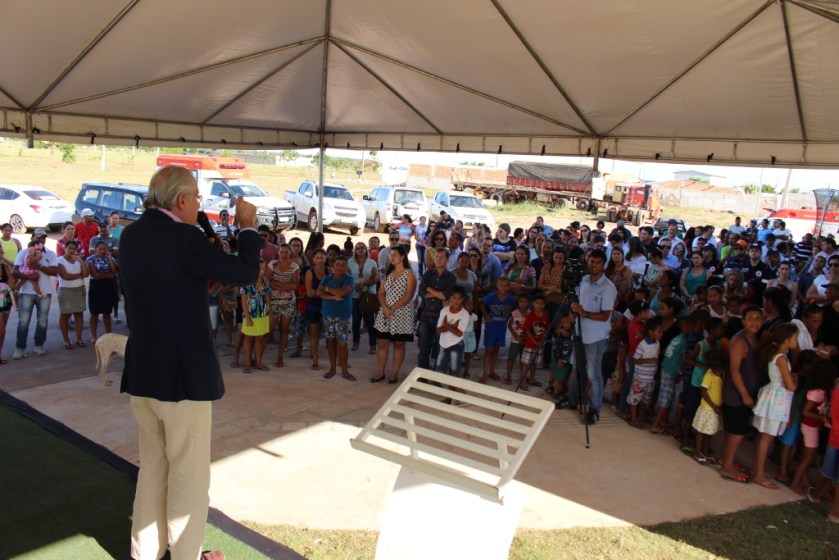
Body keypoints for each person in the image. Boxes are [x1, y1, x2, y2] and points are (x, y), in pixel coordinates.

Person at [120, 165, 260, 560]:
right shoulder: (183, 238)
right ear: (181, 200)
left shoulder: (130, 235)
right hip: (182, 379)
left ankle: (144, 551)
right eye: (197, 198)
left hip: (144, 371)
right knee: (189, 476)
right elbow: (246, 272)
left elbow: (165, 286)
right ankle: (185, 554)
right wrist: (248, 227)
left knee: (153, 469)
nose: (200, 204)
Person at [567, 249, 618, 425]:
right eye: (591, 261)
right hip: (579, 332)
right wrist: (574, 313)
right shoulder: (583, 281)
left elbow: (605, 315)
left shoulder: (608, 288)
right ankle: (572, 400)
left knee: (593, 373)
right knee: (577, 368)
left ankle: (595, 409)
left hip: (595, 337)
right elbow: (577, 304)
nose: (593, 264)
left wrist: (584, 313)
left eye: (597, 262)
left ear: (603, 265)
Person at [749, 322, 798, 489]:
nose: (796, 341)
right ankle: (759, 474)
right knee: (767, 437)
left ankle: (757, 469)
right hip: (777, 399)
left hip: (773, 396)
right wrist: (794, 380)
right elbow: (791, 386)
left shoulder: (777, 355)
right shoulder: (782, 358)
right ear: (786, 340)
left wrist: (790, 380)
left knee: (763, 435)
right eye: (794, 338)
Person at [719, 305, 763, 483]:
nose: (754, 322)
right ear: (743, 321)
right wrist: (745, 395)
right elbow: (734, 370)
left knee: (734, 430)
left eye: (757, 318)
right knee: (737, 431)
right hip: (736, 394)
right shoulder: (739, 341)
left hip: (744, 392)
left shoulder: (754, 338)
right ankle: (727, 466)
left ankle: (725, 458)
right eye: (750, 318)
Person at [789, 358, 836, 496]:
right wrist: (823, 418)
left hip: (814, 427)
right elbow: (806, 411)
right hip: (810, 427)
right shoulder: (817, 392)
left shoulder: (821, 391)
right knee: (809, 458)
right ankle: (795, 484)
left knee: (806, 455)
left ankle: (801, 479)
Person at [371, 246, 416, 384]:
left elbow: (409, 296)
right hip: (386, 312)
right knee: (383, 342)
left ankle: (394, 374)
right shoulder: (387, 274)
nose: (392, 257)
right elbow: (380, 293)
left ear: (402, 256)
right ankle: (380, 372)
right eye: (391, 255)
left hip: (402, 314)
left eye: (394, 255)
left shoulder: (409, 274)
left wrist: (393, 308)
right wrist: (385, 308)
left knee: (399, 343)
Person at [12, 229, 57, 359]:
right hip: (26, 292)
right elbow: (15, 271)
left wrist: (38, 266)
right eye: (39, 237)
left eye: (43, 238)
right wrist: (30, 277)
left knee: (42, 321)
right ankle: (20, 348)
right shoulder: (23, 253)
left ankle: (39, 345)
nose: (41, 240)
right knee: (23, 322)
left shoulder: (50, 254)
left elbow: (55, 271)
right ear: (32, 238)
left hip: (45, 292)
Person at [318, 255, 355, 380]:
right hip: (327, 314)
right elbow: (319, 293)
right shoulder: (326, 278)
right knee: (331, 342)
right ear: (333, 265)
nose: (339, 267)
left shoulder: (349, 279)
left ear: (346, 266)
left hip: (342, 315)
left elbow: (343, 292)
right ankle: (332, 369)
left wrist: (328, 289)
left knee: (342, 343)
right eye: (337, 264)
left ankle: (344, 371)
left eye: (343, 264)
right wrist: (332, 297)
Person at [627, 316, 663, 429]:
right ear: (650, 332)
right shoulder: (642, 345)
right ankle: (633, 419)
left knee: (644, 399)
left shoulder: (657, 343)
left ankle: (641, 415)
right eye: (659, 332)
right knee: (635, 399)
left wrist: (655, 375)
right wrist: (650, 360)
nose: (661, 334)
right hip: (640, 378)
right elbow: (635, 360)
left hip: (649, 378)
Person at [691, 351, 726, 465]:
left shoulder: (719, 376)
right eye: (719, 369)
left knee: (709, 432)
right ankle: (697, 452)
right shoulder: (709, 375)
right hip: (708, 409)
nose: (721, 371)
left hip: (714, 410)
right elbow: (703, 392)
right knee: (701, 431)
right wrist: (714, 406)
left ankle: (704, 451)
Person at [480, 276, 516, 383]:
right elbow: (481, 302)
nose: (503, 288)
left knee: (496, 350)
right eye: (501, 285)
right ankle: (485, 374)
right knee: (488, 350)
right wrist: (486, 315)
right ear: (497, 286)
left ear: (509, 287)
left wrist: (508, 318)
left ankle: (492, 371)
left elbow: (512, 309)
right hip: (491, 328)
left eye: (506, 286)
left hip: (502, 328)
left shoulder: (510, 299)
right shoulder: (491, 297)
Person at [268, 244, 299, 368]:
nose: (284, 254)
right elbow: (267, 282)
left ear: (290, 253)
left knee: (284, 330)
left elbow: (295, 286)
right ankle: (258, 356)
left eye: (286, 252)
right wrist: (286, 285)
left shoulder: (294, 266)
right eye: (282, 252)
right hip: (273, 301)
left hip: (289, 301)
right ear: (278, 253)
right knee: (268, 330)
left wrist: (277, 284)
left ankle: (280, 357)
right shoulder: (272, 264)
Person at [240, 260, 271, 373]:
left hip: (263, 314)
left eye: (263, 269)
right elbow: (243, 301)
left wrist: (270, 313)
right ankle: (248, 363)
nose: (262, 271)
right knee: (248, 339)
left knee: (260, 338)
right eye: (259, 269)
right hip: (251, 315)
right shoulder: (247, 281)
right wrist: (247, 317)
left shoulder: (264, 280)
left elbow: (267, 297)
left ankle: (258, 362)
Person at [56, 240, 87, 349]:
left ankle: (78, 338)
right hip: (66, 290)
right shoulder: (59, 260)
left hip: (79, 289)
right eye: (70, 248)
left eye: (74, 249)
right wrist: (79, 276)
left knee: (79, 314)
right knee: (65, 314)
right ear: (65, 248)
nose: (72, 250)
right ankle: (66, 339)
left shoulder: (78, 260)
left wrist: (82, 262)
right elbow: (65, 276)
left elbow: (86, 273)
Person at [348, 242, 379, 354]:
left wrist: (364, 284)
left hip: (367, 294)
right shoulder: (350, 262)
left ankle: (372, 344)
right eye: (358, 248)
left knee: (370, 320)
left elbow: (375, 278)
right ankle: (356, 342)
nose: (360, 250)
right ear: (355, 251)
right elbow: (347, 277)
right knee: (356, 320)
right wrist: (355, 286)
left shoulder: (372, 262)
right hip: (354, 294)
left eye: (362, 248)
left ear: (366, 250)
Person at [435, 285, 469, 378]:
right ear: (450, 298)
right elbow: (439, 329)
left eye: (459, 298)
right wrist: (453, 327)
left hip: (457, 344)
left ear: (463, 299)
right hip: (443, 345)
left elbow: (459, 334)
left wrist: (446, 325)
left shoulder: (464, 314)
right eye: (454, 297)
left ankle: (453, 388)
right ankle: (439, 388)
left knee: (454, 372)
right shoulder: (444, 311)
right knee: (439, 371)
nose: (456, 300)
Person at [304, 248, 329, 369]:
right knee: (314, 334)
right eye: (317, 257)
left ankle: (336, 359)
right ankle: (315, 359)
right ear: (313, 259)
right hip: (313, 306)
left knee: (331, 333)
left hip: (328, 306)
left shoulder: (330, 270)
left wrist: (318, 291)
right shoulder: (310, 273)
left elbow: (334, 289)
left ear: (326, 258)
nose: (320, 260)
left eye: (322, 257)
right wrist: (325, 291)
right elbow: (309, 293)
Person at [519, 293, 549, 390]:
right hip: (530, 344)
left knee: (534, 363)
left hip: (540, 344)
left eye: (542, 303)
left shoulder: (545, 315)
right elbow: (527, 329)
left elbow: (547, 329)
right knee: (526, 363)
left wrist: (543, 341)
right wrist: (534, 341)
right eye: (537, 303)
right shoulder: (530, 315)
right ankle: (523, 380)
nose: (539, 305)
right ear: (533, 304)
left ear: (544, 305)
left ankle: (532, 379)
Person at [0, 245, 18, 362]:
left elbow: (12, 284)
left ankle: (0, 353)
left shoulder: (5, 267)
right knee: (0, 329)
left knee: (3, 330)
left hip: (5, 299)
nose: (0, 255)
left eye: (1, 252)